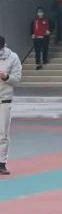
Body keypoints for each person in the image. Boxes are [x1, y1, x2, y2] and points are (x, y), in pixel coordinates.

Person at [0, 34, 22, 176]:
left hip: (4, 100)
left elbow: (17, 79)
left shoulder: (13, 57)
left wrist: (6, 77)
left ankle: (1, 163)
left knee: (3, 134)